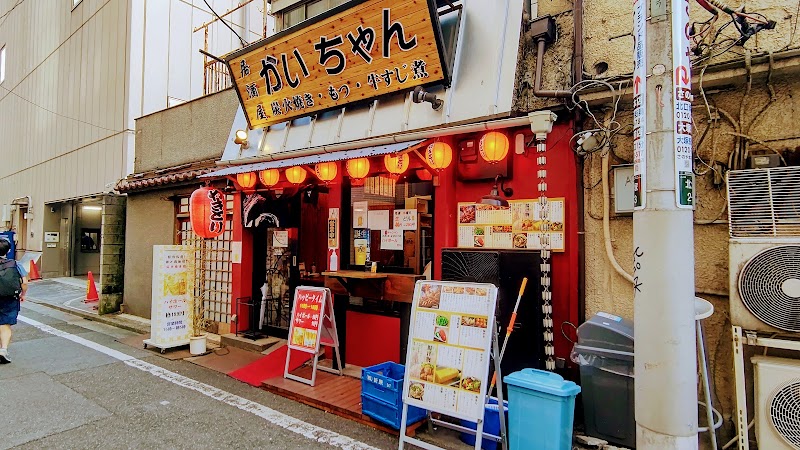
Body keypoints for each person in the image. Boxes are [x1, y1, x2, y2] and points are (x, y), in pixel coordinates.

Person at [0, 238, 27, 364]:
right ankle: (3, 350)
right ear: (8, 250)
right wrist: (23, 294)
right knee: (5, 324)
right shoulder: (15, 264)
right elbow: (25, 282)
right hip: (9, 297)